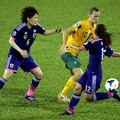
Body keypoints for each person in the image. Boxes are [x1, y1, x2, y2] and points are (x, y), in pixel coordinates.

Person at [0, 6, 62, 102]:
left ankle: (29, 94)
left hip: (26, 56)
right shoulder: (20, 27)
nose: (36, 20)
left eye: (37, 17)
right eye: (34, 18)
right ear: (28, 18)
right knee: (7, 75)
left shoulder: (36, 26)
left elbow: (44, 32)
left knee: (39, 75)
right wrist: (20, 50)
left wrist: (55, 30)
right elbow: (11, 41)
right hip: (15, 55)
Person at [61, 24, 120, 115]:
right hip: (89, 71)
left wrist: (71, 46)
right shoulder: (104, 43)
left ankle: (112, 94)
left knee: (89, 97)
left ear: (95, 32)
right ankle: (69, 111)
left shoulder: (93, 42)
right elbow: (113, 53)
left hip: (94, 75)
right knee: (77, 89)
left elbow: (79, 48)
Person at [58, 7, 100, 103]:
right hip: (68, 51)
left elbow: (95, 40)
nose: (96, 18)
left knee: (79, 77)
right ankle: (62, 95)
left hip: (75, 53)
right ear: (89, 15)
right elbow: (66, 31)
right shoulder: (82, 23)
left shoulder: (94, 27)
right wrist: (64, 45)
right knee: (79, 74)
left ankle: (78, 94)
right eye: (94, 16)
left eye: (98, 17)